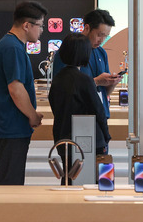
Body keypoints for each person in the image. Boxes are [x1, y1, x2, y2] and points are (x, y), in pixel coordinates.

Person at [0, 1, 47, 185]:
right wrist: (33, 115)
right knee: (9, 184)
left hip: (8, 126)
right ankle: (3, 215)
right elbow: (16, 89)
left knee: (9, 179)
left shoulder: (11, 45)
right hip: (10, 127)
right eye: (40, 25)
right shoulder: (12, 48)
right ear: (27, 25)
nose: (42, 30)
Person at [48, 33, 110, 185]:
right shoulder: (84, 80)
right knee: (89, 180)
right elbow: (98, 110)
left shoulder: (58, 79)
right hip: (87, 139)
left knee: (68, 177)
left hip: (62, 135)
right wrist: (106, 135)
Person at [53, 9, 122, 121]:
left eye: (106, 36)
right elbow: (62, 90)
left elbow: (103, 92)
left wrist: (112, 83)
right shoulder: (69, 50)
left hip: (101, 116)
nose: (102, 40)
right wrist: (96, 81)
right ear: (87, 28)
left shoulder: (101, 52)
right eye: (100, 35)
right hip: (78, 118)